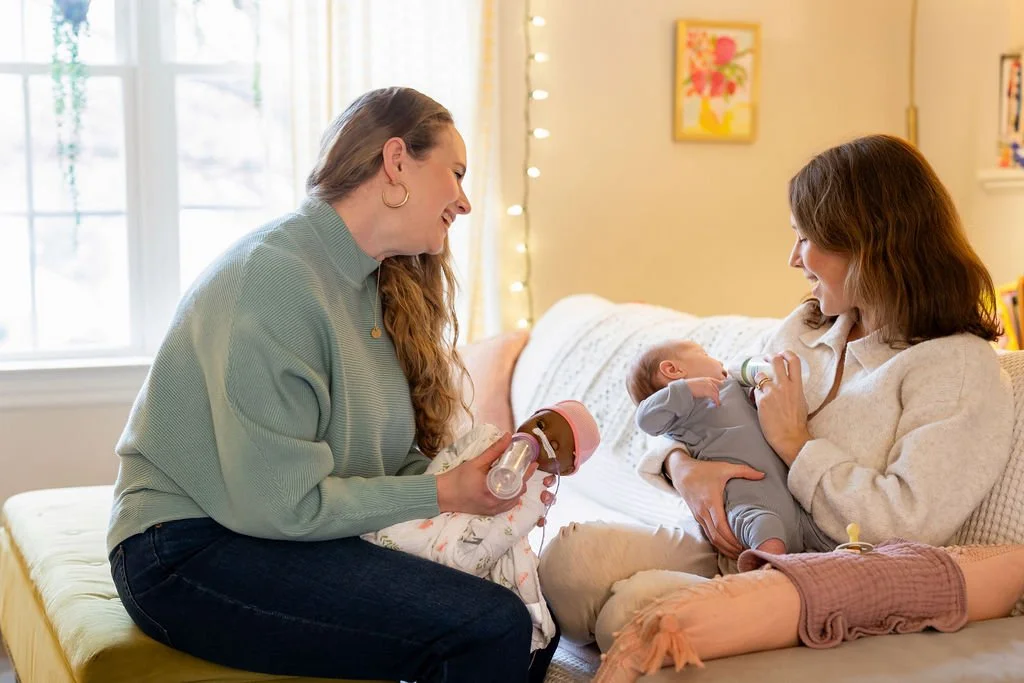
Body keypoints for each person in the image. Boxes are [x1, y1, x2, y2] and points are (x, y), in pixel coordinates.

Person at [107, 87, 558, 683]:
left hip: (266, 529)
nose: (465, 201)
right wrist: (444, 493)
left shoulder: (370, 285)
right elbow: (284, 504)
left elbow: (381, 465)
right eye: (455, 173)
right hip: (185, 548)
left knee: (532, 623)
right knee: (489, 625)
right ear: (396, 162)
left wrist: (481, 476)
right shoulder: (275, 279)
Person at [539, 133, 1014, 651]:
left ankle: (711, 605)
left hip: (817, 573)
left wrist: (797, 445)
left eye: (805, 237)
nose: (793, 258)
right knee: (568, 563)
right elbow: (710, 400)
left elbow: (907, 526)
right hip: (731, 537)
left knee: (633, 617)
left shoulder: (955, 367)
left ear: (867, 243)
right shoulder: (806, 327)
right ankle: (711, 596)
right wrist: (682, 465)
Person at [627, 339, 834, 556]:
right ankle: (766, 572)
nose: (718, 361)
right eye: (705, 354)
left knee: (831, 538)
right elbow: (645, 419)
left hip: (795, 504)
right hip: (751, 503)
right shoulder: (683, 409)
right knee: (765, 531)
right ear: (673, 369)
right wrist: (684, 389)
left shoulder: (733, 387)